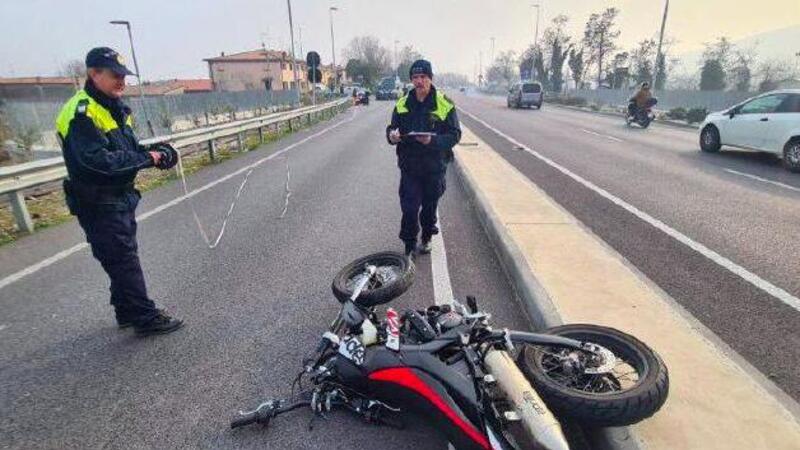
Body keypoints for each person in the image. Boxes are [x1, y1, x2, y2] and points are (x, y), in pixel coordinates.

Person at [55, 47, 183, 336]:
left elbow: (126, 151)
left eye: (124, 76)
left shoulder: (113, 107)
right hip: (97, 201)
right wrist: (147, 159)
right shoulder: (81, 113)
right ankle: (145, 317)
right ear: (93, 74)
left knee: (121, 255)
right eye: (115, 75)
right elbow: (98, 163)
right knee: (123, 257)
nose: (122, 82)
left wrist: (155, 153)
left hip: (119, 198)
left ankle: (126, 309)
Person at [386, 59, 461, 257]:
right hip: (410, 166)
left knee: (429, 208)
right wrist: (392, 136)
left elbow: (455, 135)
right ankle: (409, 245)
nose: (419, 81)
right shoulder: (402, 104)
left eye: (423, 77)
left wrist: (432, 142)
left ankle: (427, 235)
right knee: (409, 208)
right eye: (415, 77)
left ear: (430, 78)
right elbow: (392, 129)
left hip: (434, 167)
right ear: (411, 79)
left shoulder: (444, 104)